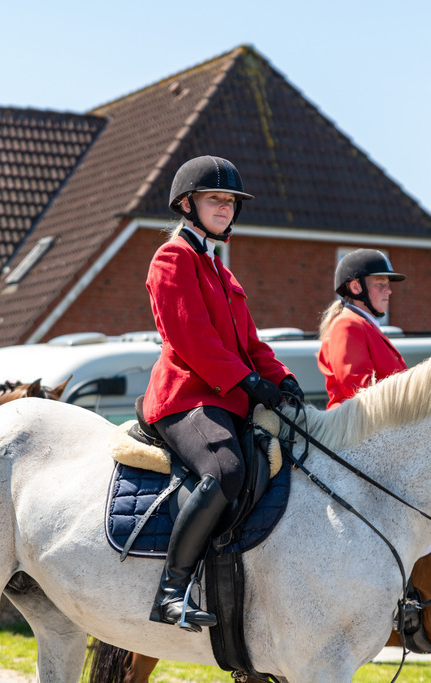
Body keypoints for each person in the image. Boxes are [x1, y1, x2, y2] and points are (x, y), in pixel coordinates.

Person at [143, 155, 303, 631]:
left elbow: (251, 344)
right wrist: (248, 383)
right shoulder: (173, 258)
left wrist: (281, 378)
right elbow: (191, 339)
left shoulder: (221, 271)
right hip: (185, 396)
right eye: (216, 199)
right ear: (187, 204)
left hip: (226, 396)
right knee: (225, 469)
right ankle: (171, 591)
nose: (225, 207)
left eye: (231, 201)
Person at [317, 249, 408, 409]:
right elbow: (360, 392)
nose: (388, 290)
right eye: (380, 284)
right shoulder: (347, 325)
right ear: (356, 287)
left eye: (388, 284)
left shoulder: (366, 326)